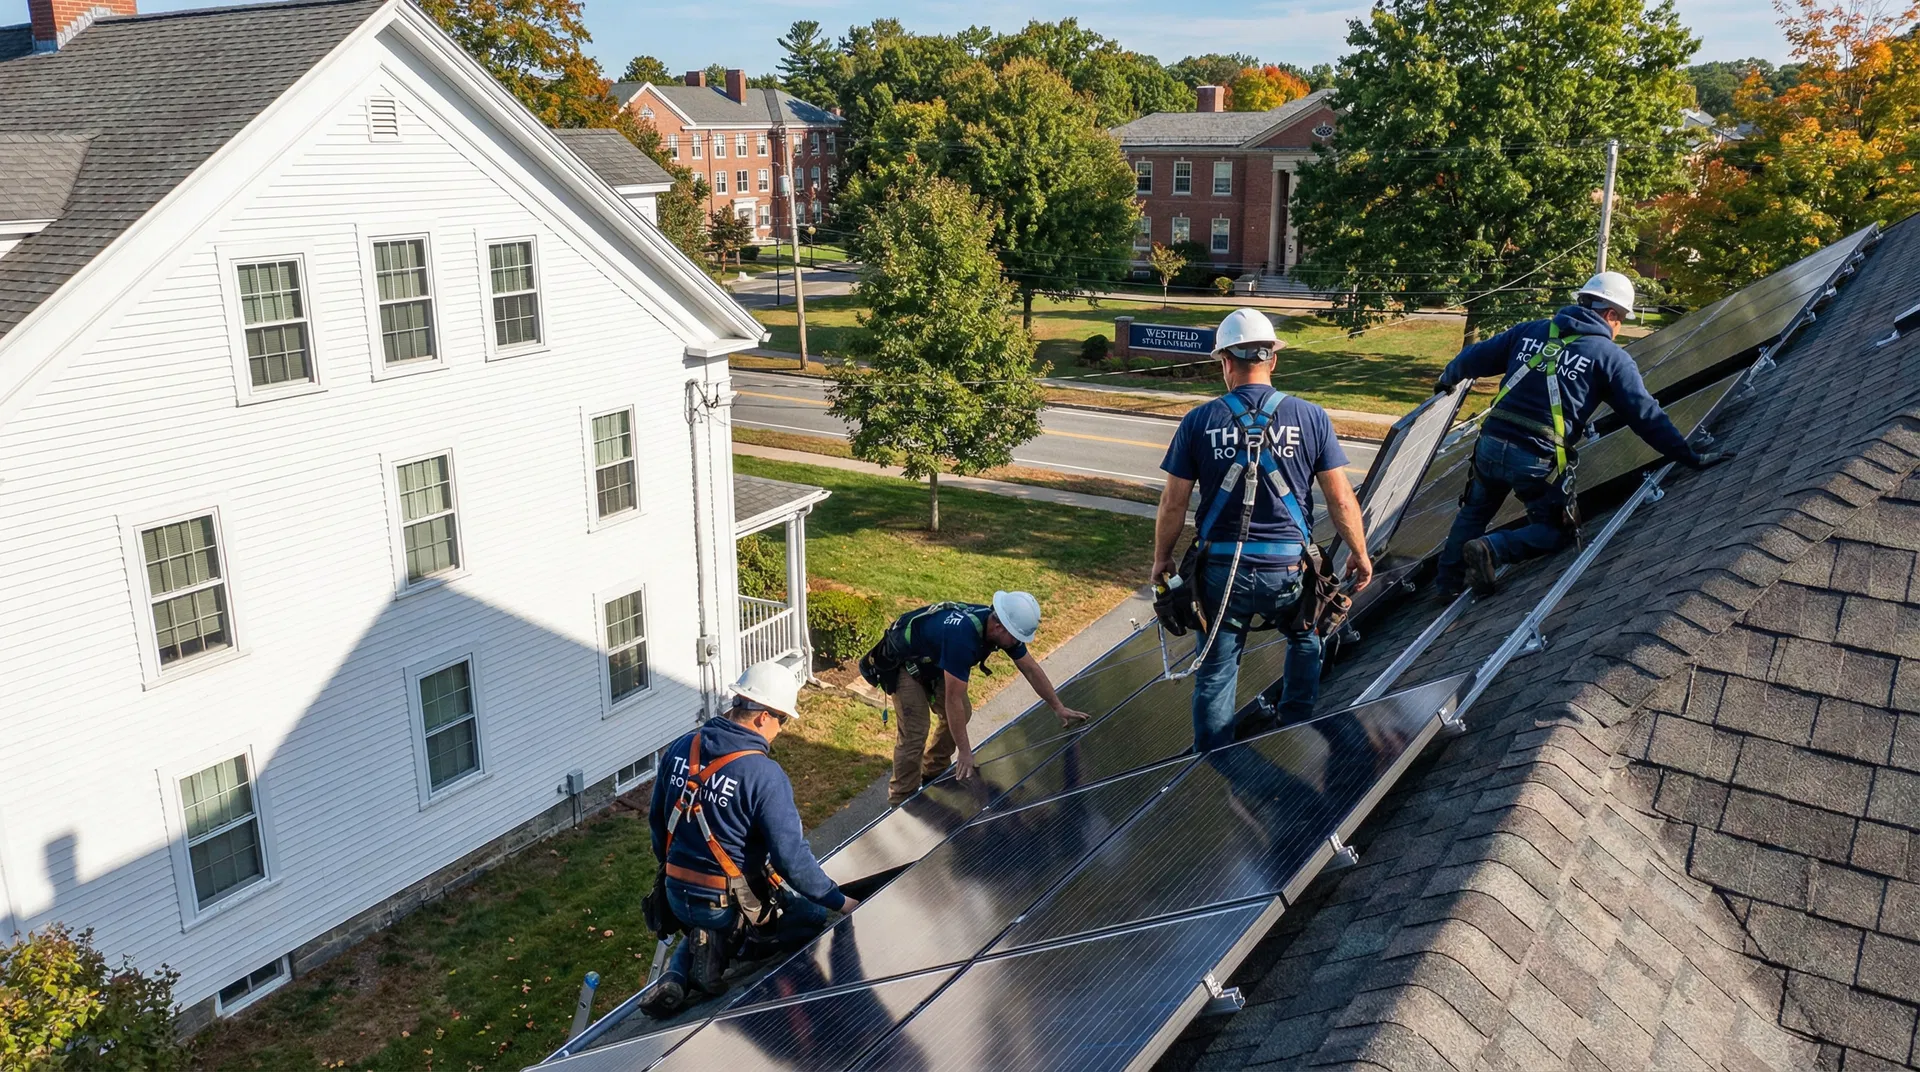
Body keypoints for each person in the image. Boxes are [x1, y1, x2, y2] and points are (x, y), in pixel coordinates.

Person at [1433, 272, 1735, 598]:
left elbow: (1471, 359)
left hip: (1489, 446)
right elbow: (1646, 417)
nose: (1617, 330)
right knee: (1555, 531)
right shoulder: (1608, 357)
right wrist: (1686, 455)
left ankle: (1447, 585)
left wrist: (1446, 380)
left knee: (1475, 509)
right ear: (1610, 315)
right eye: (1620, 322)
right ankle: (1493, 549)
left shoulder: (1530, 331)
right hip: (1533, 461)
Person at [1153, 308, 1373, 752]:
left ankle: (1213, 753)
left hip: (1220, 575)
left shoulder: (1199, 422)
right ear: (1272, 359)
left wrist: (1162, 558)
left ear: (1225, 362)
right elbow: (1340, 498)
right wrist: (1360, 552)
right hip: (1288, 570)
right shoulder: (1311, 418)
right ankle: (1294, 721)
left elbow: (1174, 502)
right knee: (1304, 637)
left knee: (1216, 668)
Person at [640, 661, 859, 1018]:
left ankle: (679, 973)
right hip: (725, 906)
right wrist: (839, 900)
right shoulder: (763, 775)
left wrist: (678, 871)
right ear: (762, 717)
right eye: (782, 720)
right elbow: (792, 859)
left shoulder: (681, 748)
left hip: (675, 895)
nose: (781, 730)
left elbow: (656, 824)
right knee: (810, 916)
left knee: (703, 921)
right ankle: (727, 948)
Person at [871, 592, 1092, 806]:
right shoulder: (963, 638)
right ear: (999, 626)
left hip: (933, 662)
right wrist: (965, 753)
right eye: (1016, 637)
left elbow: (1031, 669)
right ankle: (902, 799)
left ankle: (934, 770)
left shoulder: (1001, 628)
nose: (1017, 642)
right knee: (915, 732)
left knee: (962, 714)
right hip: (904, 666)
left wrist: (1058, 707)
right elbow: (952, 700)